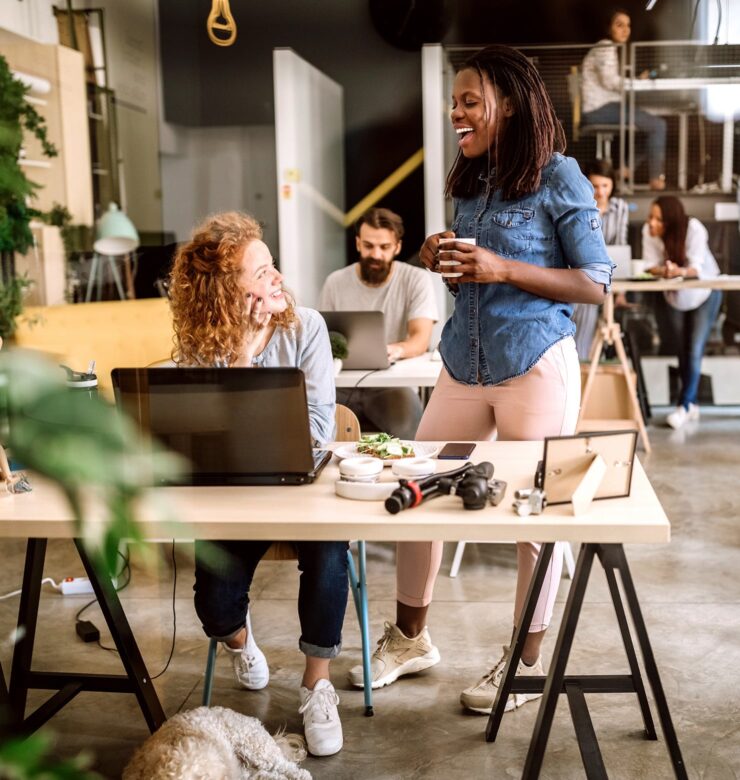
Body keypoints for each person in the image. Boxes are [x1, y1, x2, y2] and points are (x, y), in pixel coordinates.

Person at [348, 44, 612, 715]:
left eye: (470, 101)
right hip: (463, 364)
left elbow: (594, 282)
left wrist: (501, 269)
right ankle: (411, 639)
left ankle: (525, 663)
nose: (456, 112)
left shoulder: (561, 176)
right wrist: (437, 251)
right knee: (416, 491)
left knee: (535, 515)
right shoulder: (471, 182)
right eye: (455, 101)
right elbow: (472, 265)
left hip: (533, 363)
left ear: (511, 102)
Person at [168, 211, 347, 757]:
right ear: (227, 289)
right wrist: (243, 354)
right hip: (234, 491)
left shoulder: (307, 327)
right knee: (214, 607)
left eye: (273, 266)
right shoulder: (202, 341)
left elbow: (317, 430)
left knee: (329, 558)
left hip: (302, 487)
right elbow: (201, 440)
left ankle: (317, 684)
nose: (278, 279)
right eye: (262, 271)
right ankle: (240, 643)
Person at [319, 207, 438, 439]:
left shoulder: (416, 280)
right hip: (341, 386)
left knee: (410, 431)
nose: (375, 254)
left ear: (397, 247)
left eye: (384, 247)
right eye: (368, 245)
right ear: (357, 244)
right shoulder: (335, 282)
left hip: (392, 386)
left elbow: (420, 340)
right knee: (316, 427)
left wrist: (394, 349)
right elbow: (322, 338)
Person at [642, 196, 721, 430]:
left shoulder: (694, 228)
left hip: (704, 292)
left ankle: (684, 405)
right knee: (681, 349)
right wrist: (664, 269)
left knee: (694, 349)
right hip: (676, 296)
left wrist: (677, 270)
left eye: (659, 219)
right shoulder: (649, 232)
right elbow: (649, 266)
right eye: (651, 217)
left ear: (672, 221)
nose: (652, 223)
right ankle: (692, 402)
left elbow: (695, 268)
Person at [580, 8, 667, 191]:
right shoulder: (605, 47)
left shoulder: (612, 49)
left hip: (606, 108)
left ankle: (626, 169)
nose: (625, 29)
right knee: (658, 126)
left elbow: (612, 81)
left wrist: (636, 80)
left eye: (628, 25)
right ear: (609, 29)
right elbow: (610, 81)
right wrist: (635, 81)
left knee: (651, 126)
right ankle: (655, 179)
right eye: (619, 25)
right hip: (599, 110)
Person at [572, 159, 630, 359]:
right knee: (581, 327)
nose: (601, 192)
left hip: (610, 274)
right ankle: (581, 364)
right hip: (584, 274)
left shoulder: (620, 207)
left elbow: (620, 246)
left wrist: (620, 290)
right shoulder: (580, 205)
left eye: (605, 186)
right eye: (595, 186)